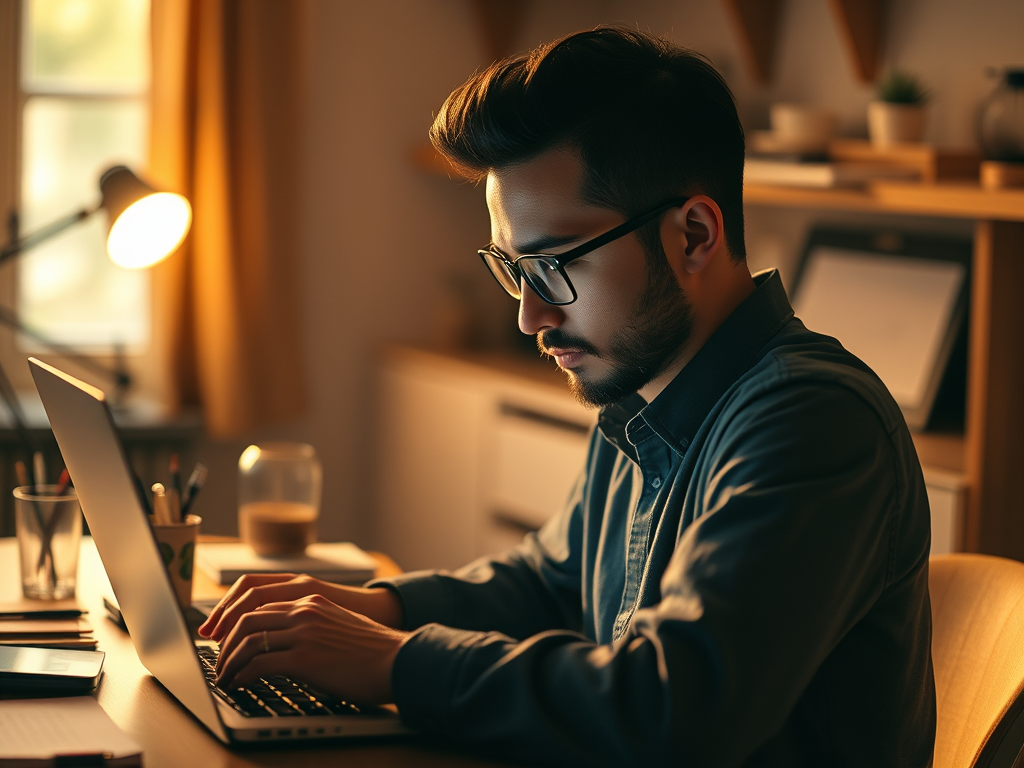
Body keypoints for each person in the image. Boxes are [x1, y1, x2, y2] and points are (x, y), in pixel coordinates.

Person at [199, 27, 936, 767]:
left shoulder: (812, 422)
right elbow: (551, 585)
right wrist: (370, 608)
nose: (530, 317)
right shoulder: (641, 393)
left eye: (552, 265)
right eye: (512, 268)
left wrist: (394, 661)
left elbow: (672, 708)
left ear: (695, 235)